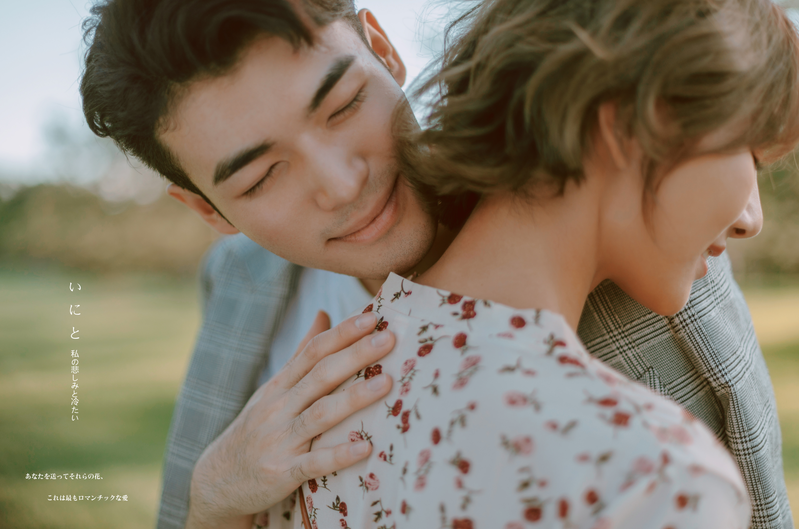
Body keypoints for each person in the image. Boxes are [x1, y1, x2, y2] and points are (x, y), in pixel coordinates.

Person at [77, 0, 793, 528]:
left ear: (385, 51)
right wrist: (212, 501)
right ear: (206, 208)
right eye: (262, 177)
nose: (341, 183)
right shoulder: (234, 282)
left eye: (343, 104)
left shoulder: (668, 266)